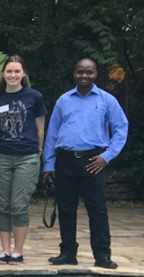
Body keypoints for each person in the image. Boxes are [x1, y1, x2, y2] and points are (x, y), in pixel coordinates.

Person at [44, 58, 128, 269]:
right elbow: (52, 134)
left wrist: (106, 157)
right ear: (74, 73)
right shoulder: (64, 100)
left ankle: (102, 255)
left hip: (94, 160)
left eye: (89, 72)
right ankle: (68, 253)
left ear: (96, 74)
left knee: (97, 209)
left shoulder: (106, 100)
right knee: (66, 208)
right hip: (65, 159)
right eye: (80, 72)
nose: (84, 76)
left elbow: (121, 129)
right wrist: (48, 164)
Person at [0, 55, 46, 265]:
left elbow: (40, 127)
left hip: (27, 157)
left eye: (16, 71)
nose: (12, 75)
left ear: (23, 74)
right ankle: (4, 250)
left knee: (19, 205)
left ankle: (18, 251)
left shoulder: (34, 97)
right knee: (3, 205)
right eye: (9, 71)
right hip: (3, 156)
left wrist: (38, 149)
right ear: (3, 74)